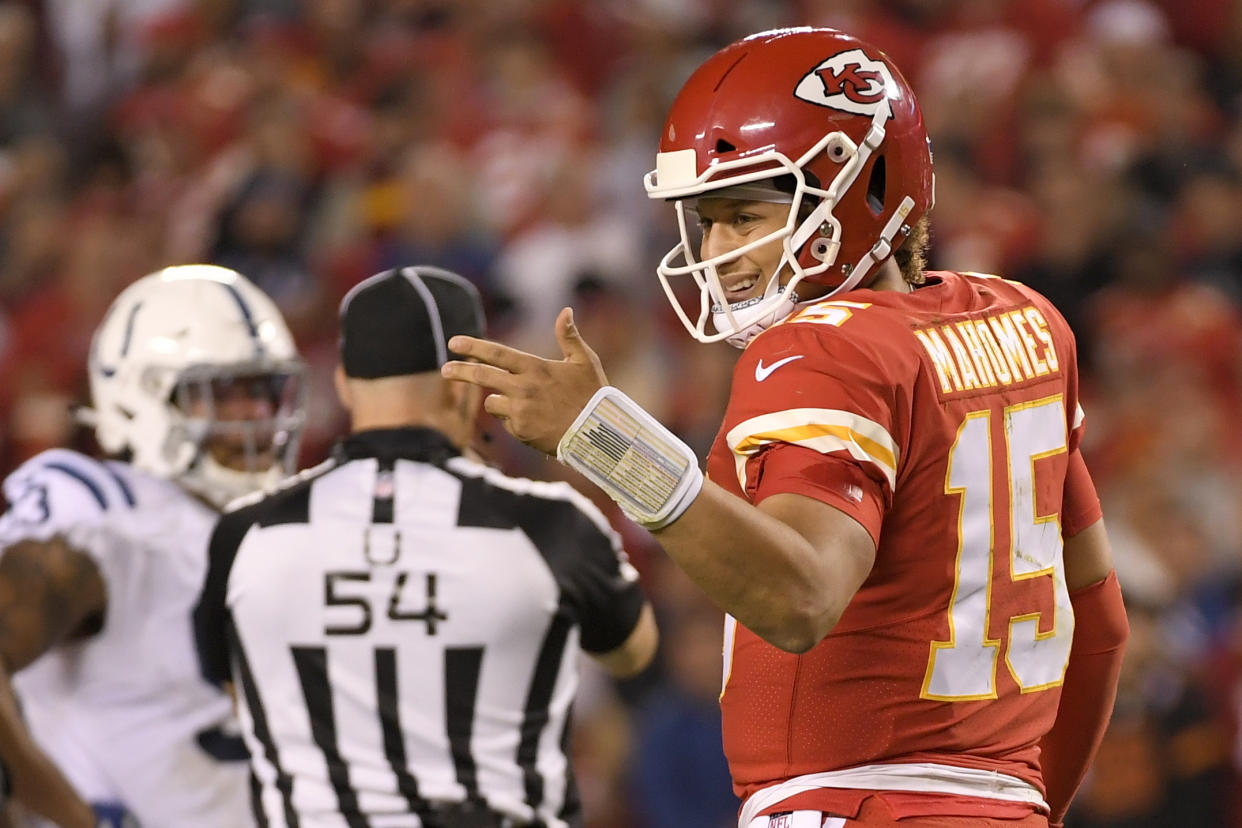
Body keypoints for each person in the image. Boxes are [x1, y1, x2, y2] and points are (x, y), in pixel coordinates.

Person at [442, 27, 1129, 828]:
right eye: (707, 221)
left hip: (851, 803)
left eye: (744, 215)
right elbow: (1101, 622)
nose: (720, 251)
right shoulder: (1026, 320)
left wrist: (603, 437)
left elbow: (799, 595)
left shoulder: (823, 345)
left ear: (861, 189)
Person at [194, 265, 658, 827]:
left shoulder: (244, 535)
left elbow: (243, 691)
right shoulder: (550, 524)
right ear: (468, 384)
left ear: (343, 383)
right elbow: (632, 651)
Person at [0, 264, 308, 827]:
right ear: (142, 399)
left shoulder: (278, 531)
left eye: (264, 390)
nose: (258, 416)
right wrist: (70, 817)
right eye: (225, 392)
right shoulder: (108, 517)